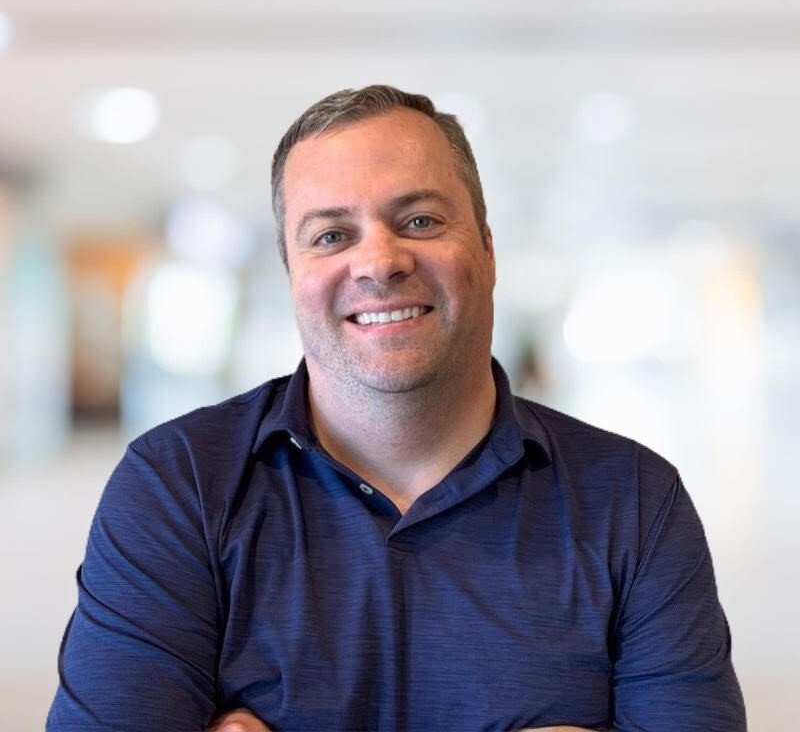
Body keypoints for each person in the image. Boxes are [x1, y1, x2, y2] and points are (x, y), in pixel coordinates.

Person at [47, 85, 746, 732]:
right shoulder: (178, 485)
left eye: (418, 218)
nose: (379, 261)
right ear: (294, 274)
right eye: (330, 235)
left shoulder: (634, 499)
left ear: (488, 250)